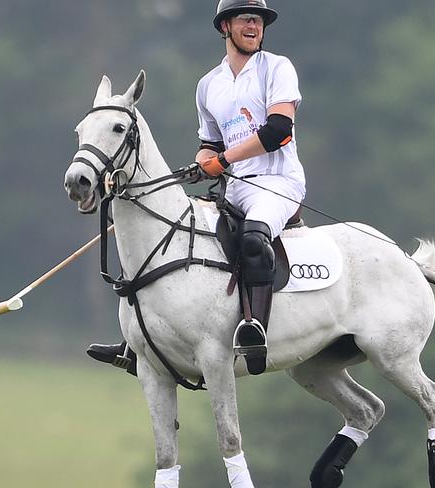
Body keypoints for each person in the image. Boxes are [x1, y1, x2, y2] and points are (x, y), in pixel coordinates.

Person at [87, 0, 305, 377]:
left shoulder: (277, 68)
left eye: (258, 20)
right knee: (162, 239)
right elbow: (212, 143)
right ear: (225, 27)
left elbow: (277, 131)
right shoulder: (208, 85)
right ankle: (137, 339)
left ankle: (255, 331)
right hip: (233, 189)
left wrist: (221, 161)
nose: (254, 26)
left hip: (276, 183)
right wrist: (205, 159)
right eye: (245, 19)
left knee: (253, 239)